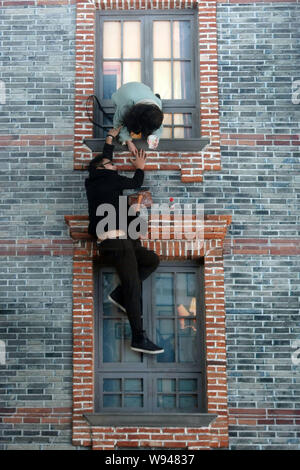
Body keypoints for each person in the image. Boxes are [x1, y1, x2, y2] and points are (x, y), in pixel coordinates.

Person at [85, 127, 164, 355]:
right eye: (111, 165)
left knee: (150, 260)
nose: (114, 166)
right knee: (133, 286)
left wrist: (110, 138)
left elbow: (105, 161)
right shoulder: (102, 181)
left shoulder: (102, 183)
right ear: (101, 170)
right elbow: (135, 181)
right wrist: (139, 168)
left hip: (123, 240)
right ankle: (138, 337)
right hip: (114, 241)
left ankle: (119, 294)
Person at [112, 82, 163, 156]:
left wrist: (155, 137)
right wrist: (128, 141)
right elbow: (119, 123)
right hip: (123, 94)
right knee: (124, 119)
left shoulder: (158, 103)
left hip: (143, 90)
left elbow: (158, 125)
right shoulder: (126, 105)